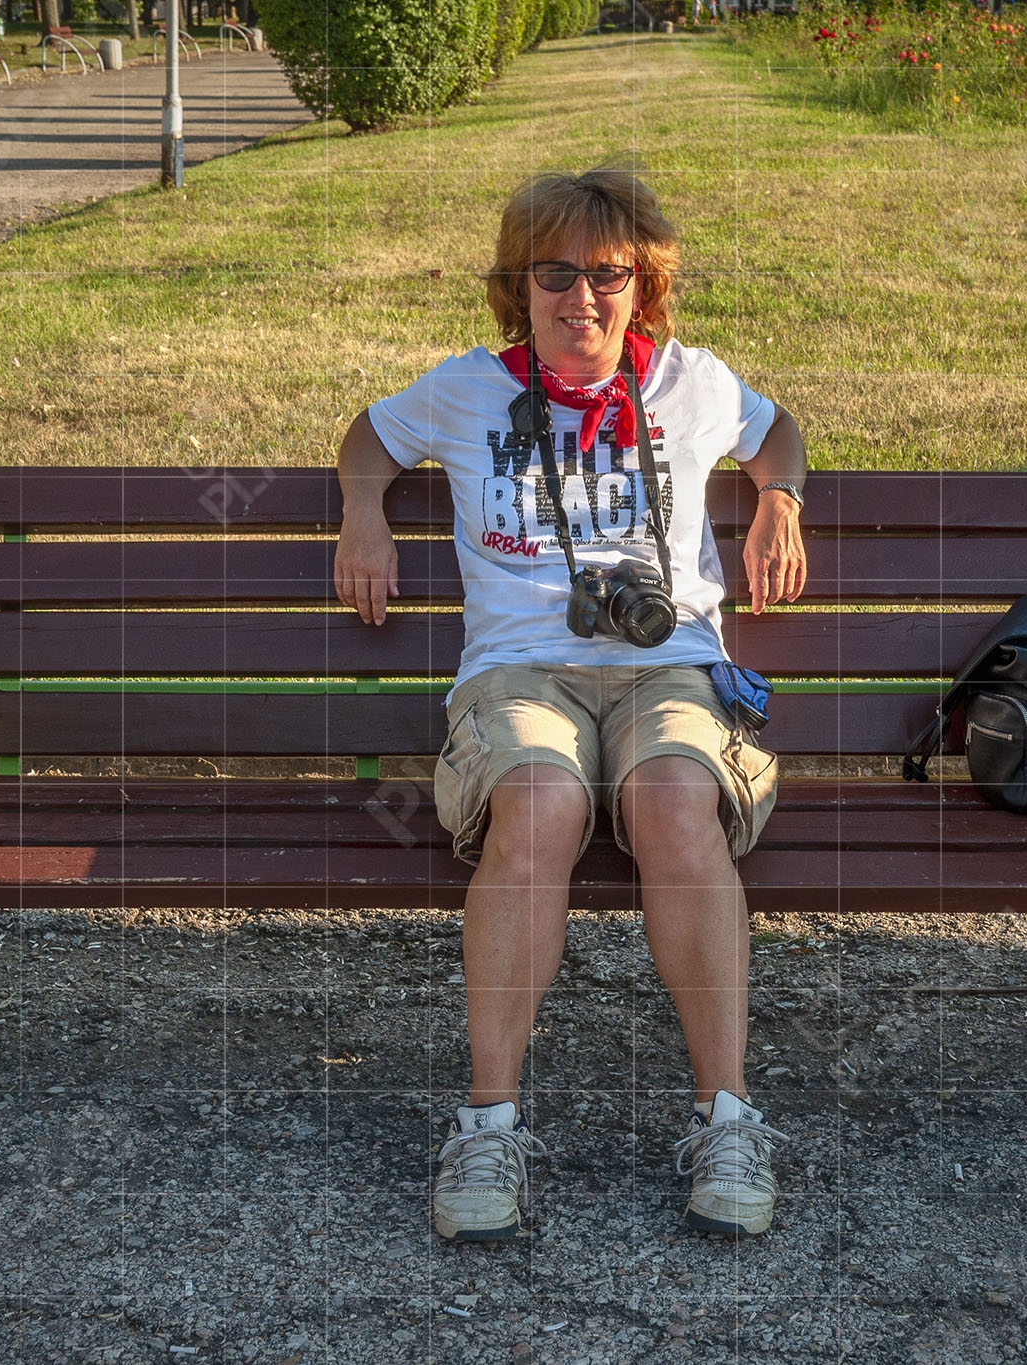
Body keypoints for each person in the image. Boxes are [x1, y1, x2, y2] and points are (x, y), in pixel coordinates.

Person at [333, 167, 809, 1241]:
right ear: (520, 286)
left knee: (677, 799)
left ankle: (729, 1118)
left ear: (645, 286)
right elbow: (368, 434)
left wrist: (778, 497)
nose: (580, 297)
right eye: (554, 273)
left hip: (668, 667)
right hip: (520, 674)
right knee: (542, 802)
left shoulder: (692, 382)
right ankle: (488, 1122)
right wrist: (363, 508)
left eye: (608, 274)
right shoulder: (467, 389)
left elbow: (777, 430)